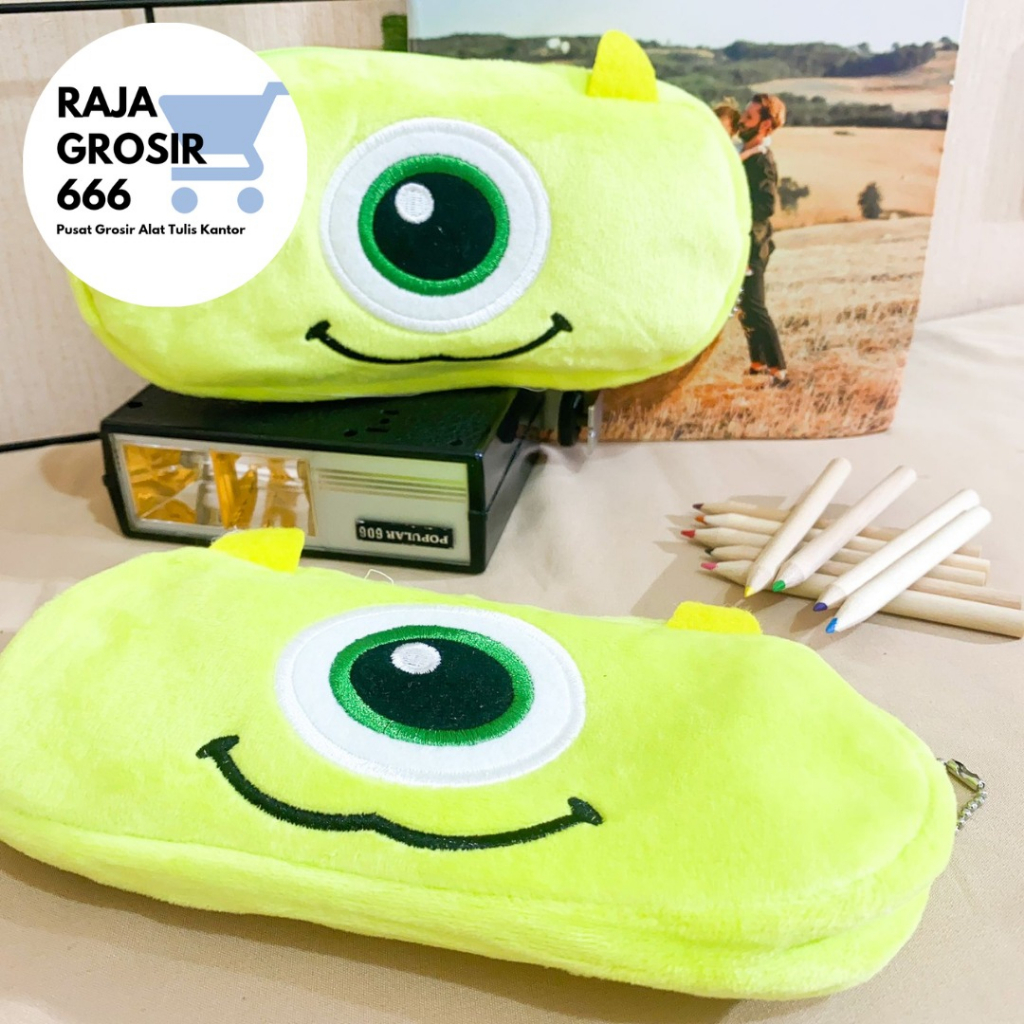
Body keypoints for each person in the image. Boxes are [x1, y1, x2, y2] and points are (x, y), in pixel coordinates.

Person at [736, 93, 788, 387]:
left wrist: (737, 209)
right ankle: (757, 364)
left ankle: (779, 371)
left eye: (749, 117)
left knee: (755, 306)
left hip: (754, 245)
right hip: (742, 241)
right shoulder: (745, 152)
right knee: (744, 306)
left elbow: (766, 206)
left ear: (765, 125)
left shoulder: (761, 160)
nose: (742, 121)